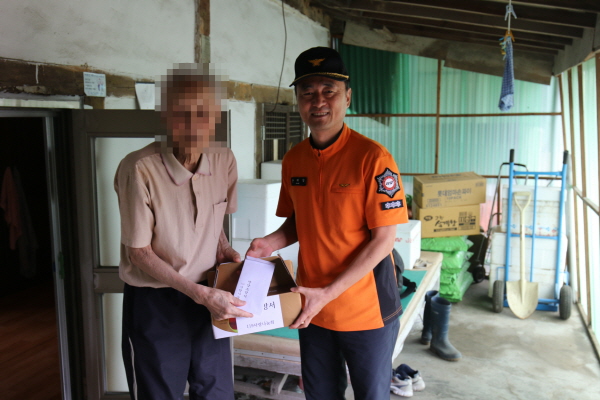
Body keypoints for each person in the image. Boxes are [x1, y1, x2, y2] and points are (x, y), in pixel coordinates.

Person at [247, 47, 409, 399]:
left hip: (366, 309)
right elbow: (299, 221)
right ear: (298, 101)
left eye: (328, 91)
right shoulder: (294, 159)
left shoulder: (373, 158)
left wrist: (328, 294)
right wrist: (269, 243)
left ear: (347, 97)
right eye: (307, 92)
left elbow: (384, 240)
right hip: (312, 306)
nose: (318, 101)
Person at [114, 64, 251, 400]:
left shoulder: (224, 160)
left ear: (215, 117)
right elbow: (139, 253)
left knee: (216, 391)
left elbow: (215, 222)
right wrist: (199, 294)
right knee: (159, 393)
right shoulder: (139, 168)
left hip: (209, 293)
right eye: (181, 114)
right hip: (156, 301)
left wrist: (226, 251)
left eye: (203, 113)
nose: (192, 125)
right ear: (165, 116)